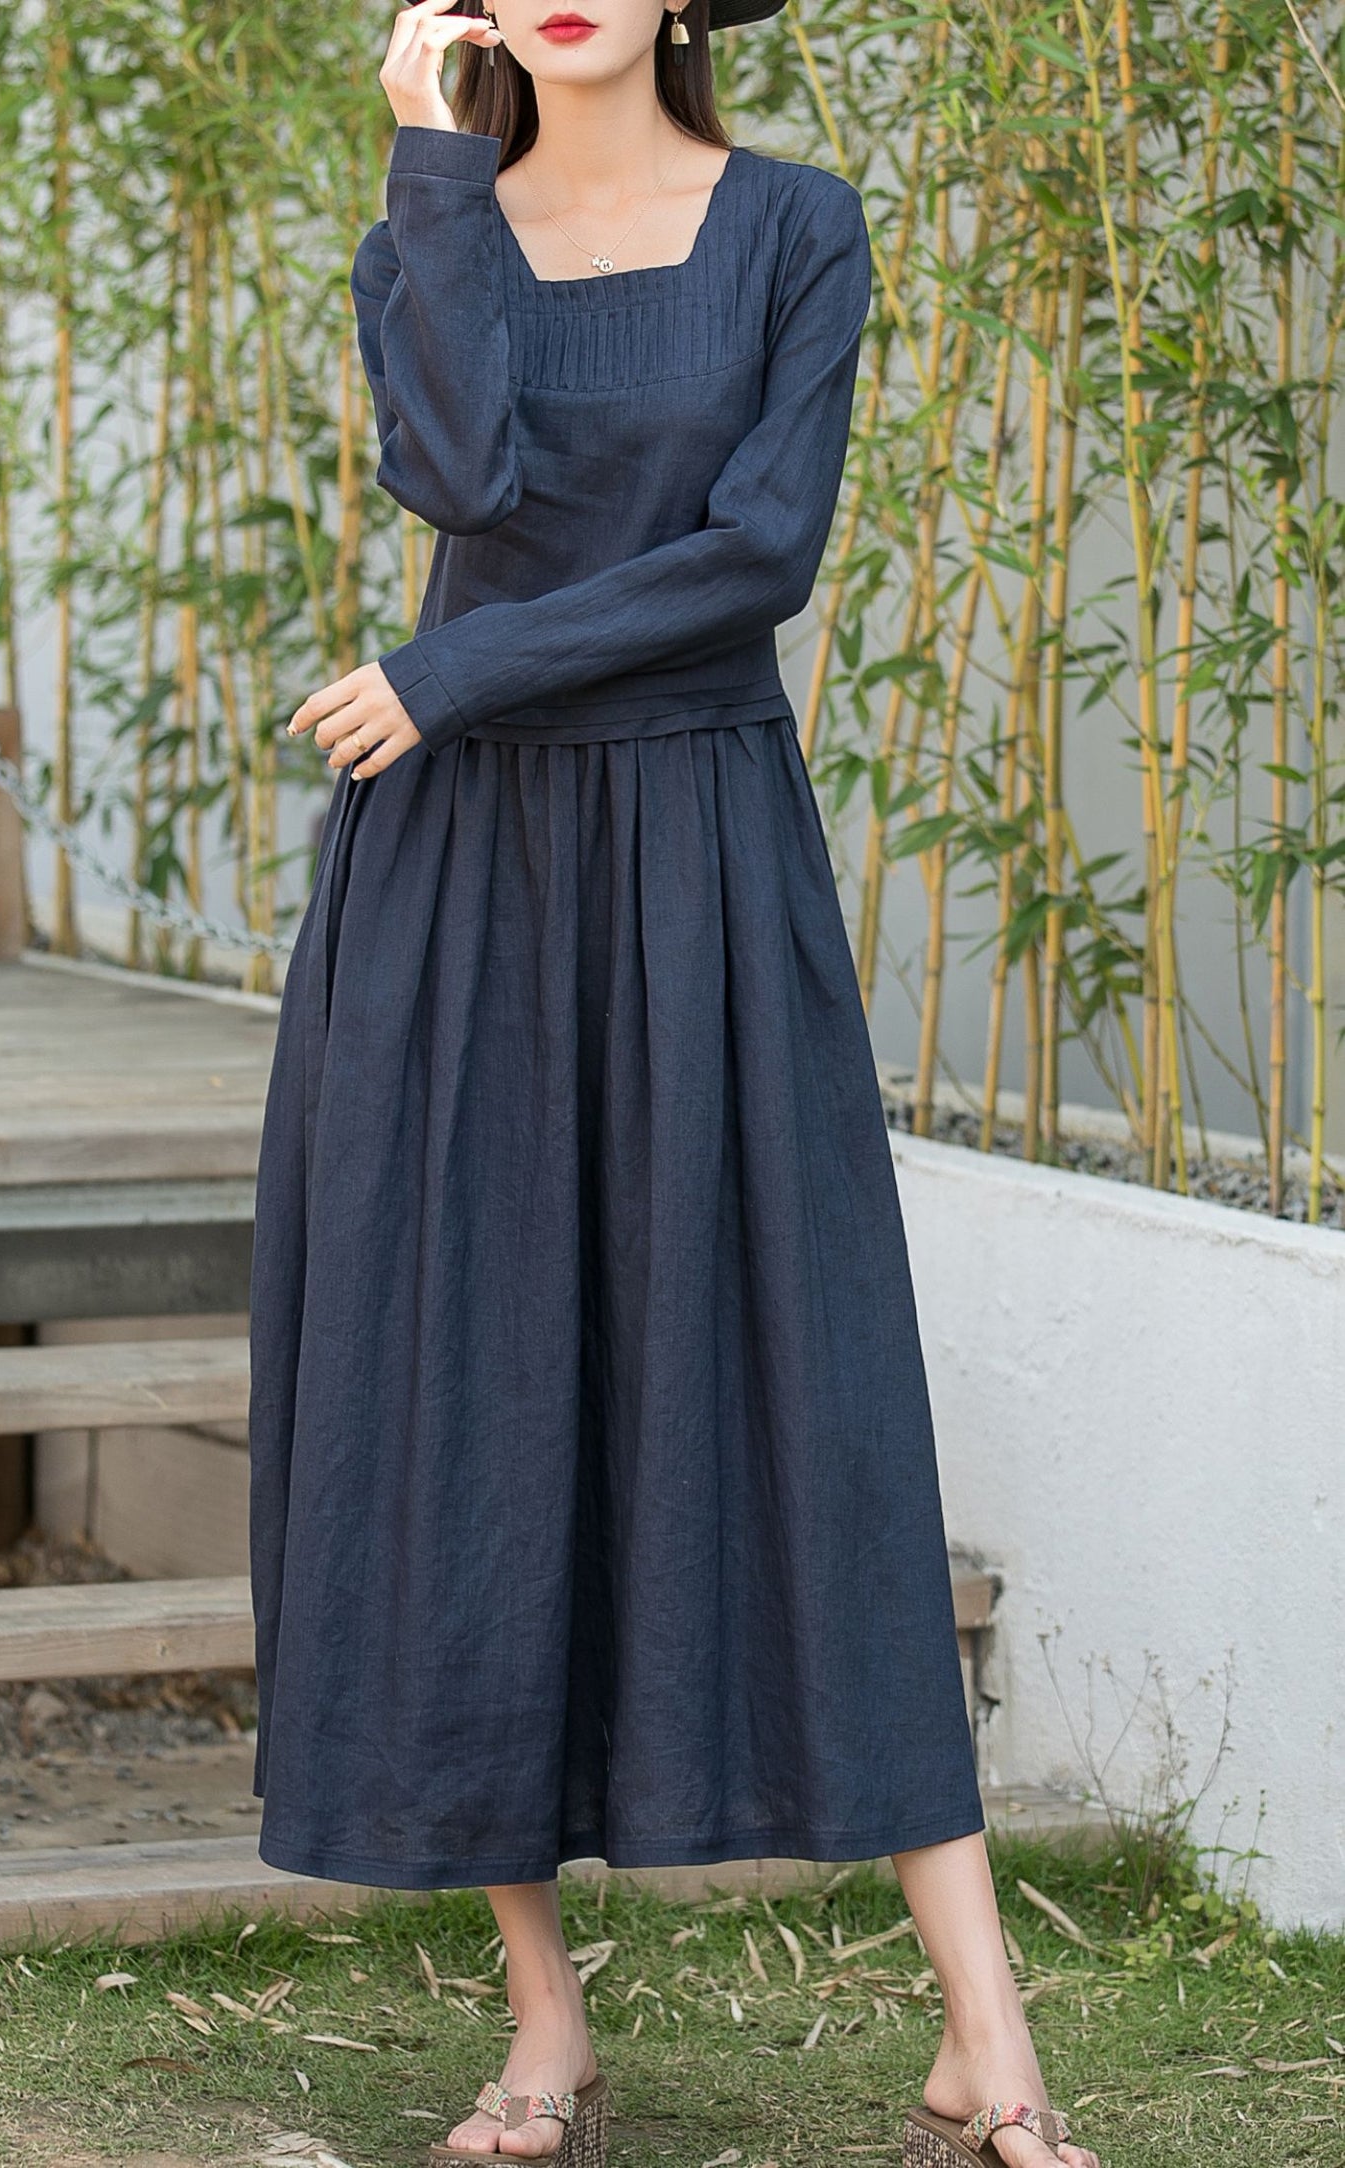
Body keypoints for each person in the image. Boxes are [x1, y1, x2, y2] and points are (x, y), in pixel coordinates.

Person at [248, 5, 1102, 2166]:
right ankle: (544, 2026)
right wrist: (428, 159)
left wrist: (447, 666)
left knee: (817, 1390)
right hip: (461, 873)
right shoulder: (429, 229)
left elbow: (756, 556)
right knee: (466, 1400)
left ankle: (986, 2036)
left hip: (702, 848)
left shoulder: (795, 226)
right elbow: (461, 479)